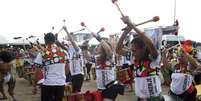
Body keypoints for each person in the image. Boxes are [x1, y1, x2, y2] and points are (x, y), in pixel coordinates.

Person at [116, 16, 164, 101]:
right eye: (132, 51)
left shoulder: (153, 59)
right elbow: (118, 49)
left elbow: (149, 43)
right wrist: (127, 31)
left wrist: (132, 25)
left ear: (143, 48)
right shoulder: (134, 58)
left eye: (135, 50)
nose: (133, 53)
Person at [34, 32, 67, 101]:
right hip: (61, 84)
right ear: (55, 40)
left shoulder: (43, 53)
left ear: (45, 41)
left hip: (48, 84)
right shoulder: (64, 52)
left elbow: (37, 71)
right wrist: (61, 77)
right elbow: (67, 68)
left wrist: (35, 85)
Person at [63, 26, 84, 93]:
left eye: (70, 44)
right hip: (73, 74)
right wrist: (56, 39)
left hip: (78, 74)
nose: (69, 45)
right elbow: (61, 45)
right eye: (68, 44)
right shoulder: (69, 52)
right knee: (72, 92)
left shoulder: (78, 50)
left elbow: (72, 41)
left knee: (77, 93)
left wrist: (66, 30)